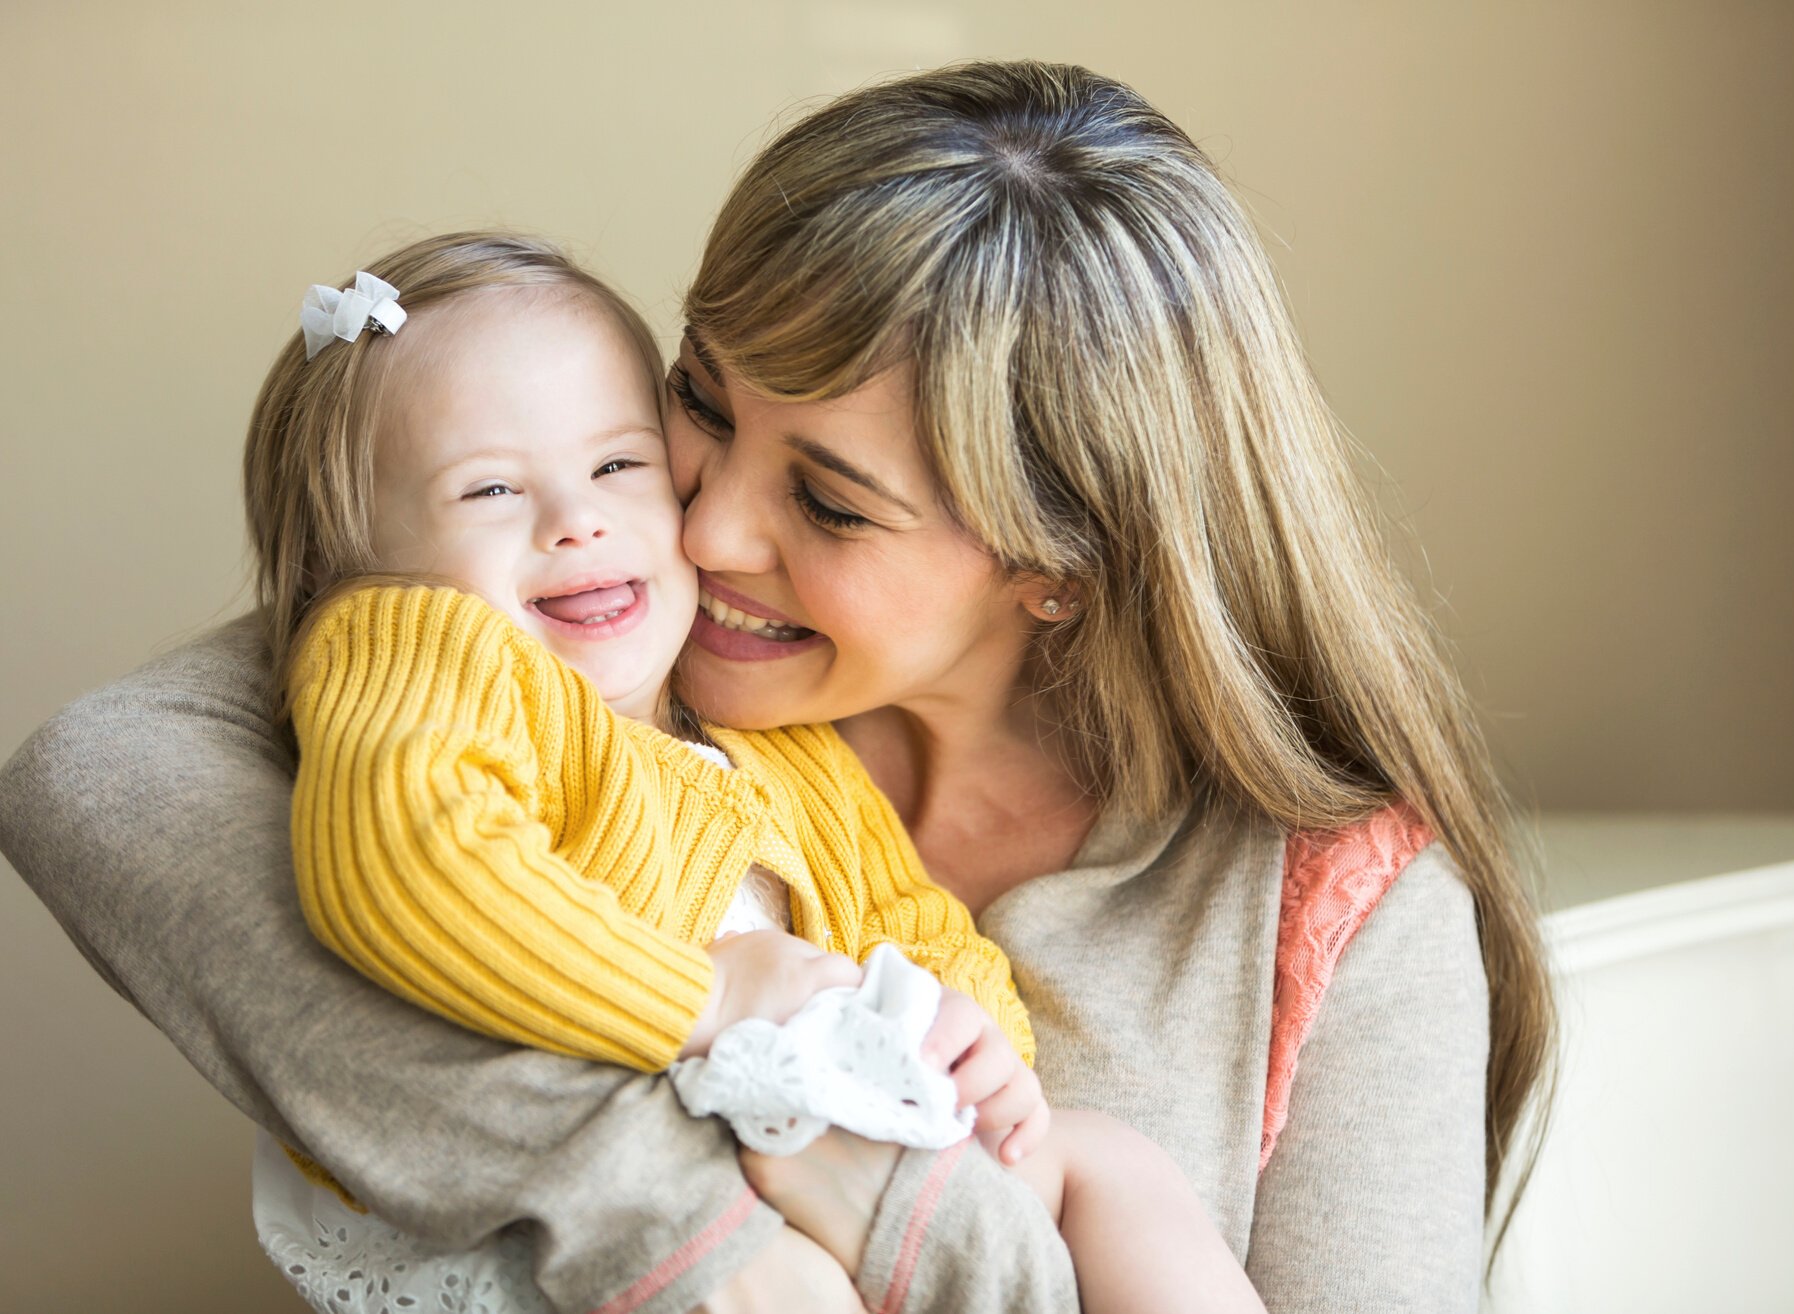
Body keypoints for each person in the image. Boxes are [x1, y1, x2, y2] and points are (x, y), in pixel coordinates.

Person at [0, 59, 1553, 1313]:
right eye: (694, 404)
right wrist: (704, 1232)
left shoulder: (1331, 907)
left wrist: (919, 1190)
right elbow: (97, 774)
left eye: (827, 500)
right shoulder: (582, 630)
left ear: (1057, 564)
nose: (703, 519)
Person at [250, 230, 1267, 1314]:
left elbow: (900, 910)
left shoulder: (770, 742)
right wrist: (707, 995)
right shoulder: (426, 650)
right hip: (583, 1189)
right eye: (490, 491)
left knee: (1107, 1164)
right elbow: (409, 869)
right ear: (354, 560)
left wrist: (964, 1031)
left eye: (618, 465)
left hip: (799, 1119)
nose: (577, 520)